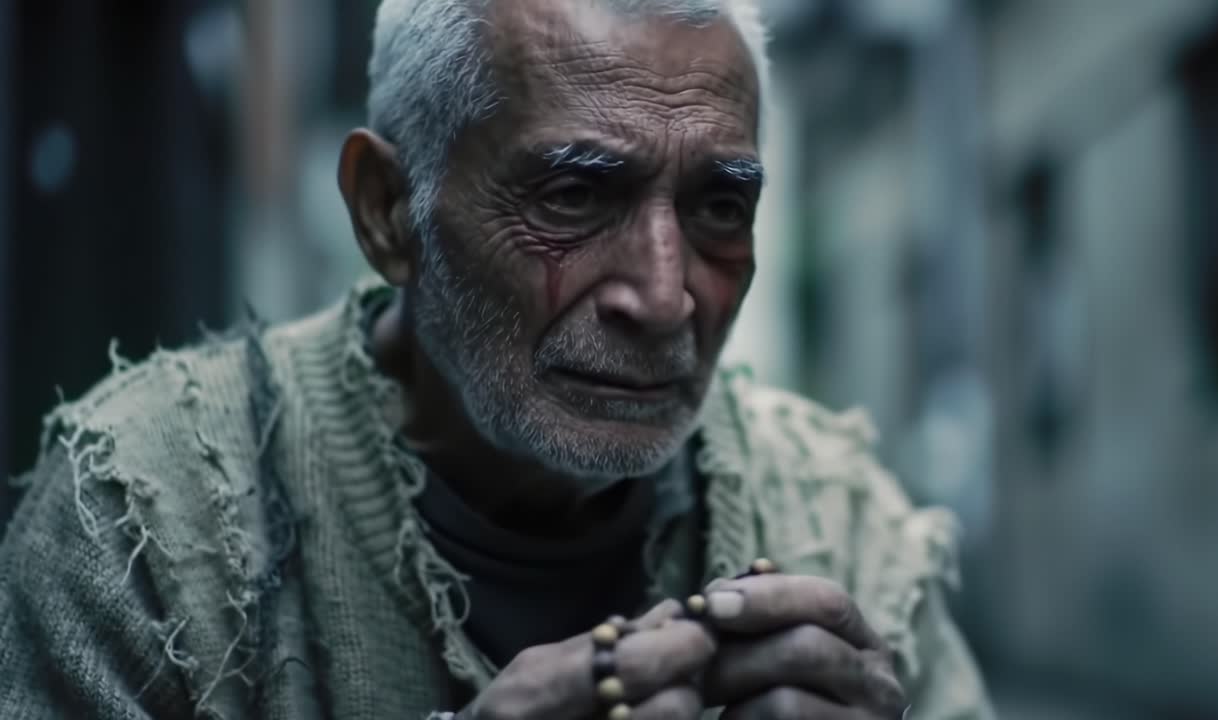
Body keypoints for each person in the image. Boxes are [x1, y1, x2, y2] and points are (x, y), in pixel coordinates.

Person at [0, 0, 994, 717]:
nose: (660, 297)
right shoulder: (143, 521)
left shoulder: (844, 525)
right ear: (390, 214)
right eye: (571, 197)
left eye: (717, 207)